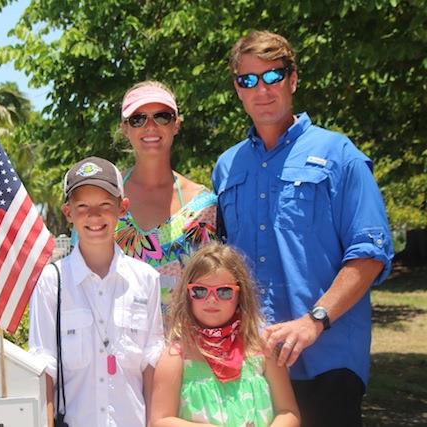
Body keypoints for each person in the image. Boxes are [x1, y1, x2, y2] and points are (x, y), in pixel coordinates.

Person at [212, 30, 394, 426]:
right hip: (253, 362)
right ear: (238, 89)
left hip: (327, 359)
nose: (262, 89)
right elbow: (220, 265)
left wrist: (314, 321)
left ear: (292, 80)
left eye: (272, 76)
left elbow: (370, 253)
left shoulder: (339, 154)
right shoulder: (226, 167)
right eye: (248, 79)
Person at [29, 156, 164, 427]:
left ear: (122, 208)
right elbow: (44, 369)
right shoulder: (50, 282)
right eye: (82, 206)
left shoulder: (146, 280)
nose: (94, 215)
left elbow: (151, 365)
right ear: (68, 213)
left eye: (105, 205)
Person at [150, 243, 300, 426]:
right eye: (200, 291)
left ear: (240, 296)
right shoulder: (176, 357)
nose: (212, 300)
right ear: (187, 295)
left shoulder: (264, 349)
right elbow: (160, 421)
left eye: (224, 292)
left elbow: (288, 411)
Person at [116, 81, 218, 311]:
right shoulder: (105, 198)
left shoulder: (203, 206)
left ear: (176, 125)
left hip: (184, 334)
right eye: (138, 119)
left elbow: (213, 283)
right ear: (125, 128)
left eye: (162, 117)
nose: (150, 126)